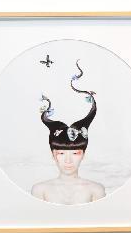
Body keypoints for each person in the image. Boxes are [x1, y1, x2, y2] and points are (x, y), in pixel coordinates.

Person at [31, 60, 106, 204]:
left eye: (75, 153)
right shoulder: (39, 190)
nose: (68, 160)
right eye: (61, 153)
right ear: (53, 154)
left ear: (83, 154)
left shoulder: (96, 190)